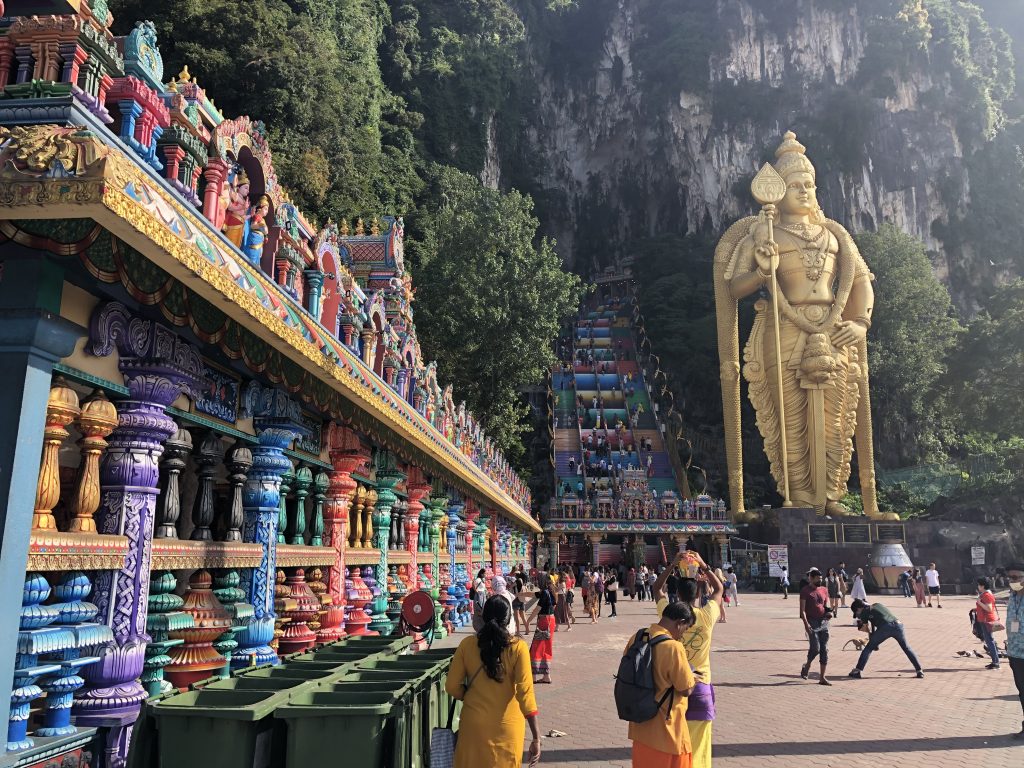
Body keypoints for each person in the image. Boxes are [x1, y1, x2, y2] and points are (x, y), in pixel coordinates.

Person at [446, 596, 541, 767]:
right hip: (507, 728)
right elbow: (525, 694)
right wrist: (536, 737)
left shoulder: (467, 645)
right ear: (509, 618)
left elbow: (451, 686)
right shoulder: (518, 648)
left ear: (483, 617)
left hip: (473, 726)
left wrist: (467, 695)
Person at [653, 552, 724, 768]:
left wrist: (672, 564)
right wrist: (703, 565)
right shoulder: (707, 615)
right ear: (698, 593)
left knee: (674, 746)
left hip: (673, 690)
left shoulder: (669, 614)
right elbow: (720, 589)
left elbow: (657, 589)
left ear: (677, 594)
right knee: (699, 747)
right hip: (700, 688)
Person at [622, 602, 697, 768]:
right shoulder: (673, 647)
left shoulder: (638, 637)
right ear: (680, 622)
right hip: (668, 731)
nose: (683, 634)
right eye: (686, 628)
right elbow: (685, 689)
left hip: (640, 725)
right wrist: (693, 678)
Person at [848, 598, 923, 679]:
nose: (858, 615)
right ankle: (919, 670)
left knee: (868, 648)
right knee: (906, 648)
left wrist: (862, 628)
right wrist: (874, 640)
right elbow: (874, 623)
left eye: (856, 612)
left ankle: (857, 671)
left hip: (885, 628)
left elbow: (866, 628)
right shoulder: (877, 605)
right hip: (898, 625)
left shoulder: (864, 612)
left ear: (859, 608)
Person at [799, 567, 833, 685]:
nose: (820, 581)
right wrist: (806, 624)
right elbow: (802, 610)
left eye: (821, 578)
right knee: (816, 648)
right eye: (818, 578)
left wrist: (829, 612)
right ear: (811, 578)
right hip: (812, 621)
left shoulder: (824, 589)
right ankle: (807, 665)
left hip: (823, 622)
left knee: (824, 649)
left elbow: (825, 606)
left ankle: (822, 678)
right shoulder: (805, 591)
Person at [1004, 563, 1024, 739]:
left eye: (1016, 578)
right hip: (1015, 653)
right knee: (1022, 691)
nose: (1012, 581)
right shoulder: (1012, 596)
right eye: (1010, 578)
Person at [529, 574, 556, 684]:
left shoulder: (545, 592)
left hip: (544, 620)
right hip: (551, 620)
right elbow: (553, 605)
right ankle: (546, 675)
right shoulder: (550, 591)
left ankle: (534, 676)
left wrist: (527, 621)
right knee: (546, 647)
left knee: (537, 646)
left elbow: (538, 608)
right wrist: (520, 594)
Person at [975, 577, 1001, 669]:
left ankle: (996, 662)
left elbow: (989, 608)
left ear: (982, 586)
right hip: (985, 619)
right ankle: (995, 660)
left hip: (987, 620)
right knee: (990, 640)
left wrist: (979, 602)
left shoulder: (987, 595)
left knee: (989, 641)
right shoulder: (985, 594)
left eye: (979, 584)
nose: (978, 586)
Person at [511, 570, 529, 635]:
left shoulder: (517, 581)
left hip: (516, 599)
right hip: (522, 599)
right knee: (523, 616)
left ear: (516, 575)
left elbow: (510, 587)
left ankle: (518, 631)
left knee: (516, 617)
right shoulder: (523, 581)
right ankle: (527, 629)